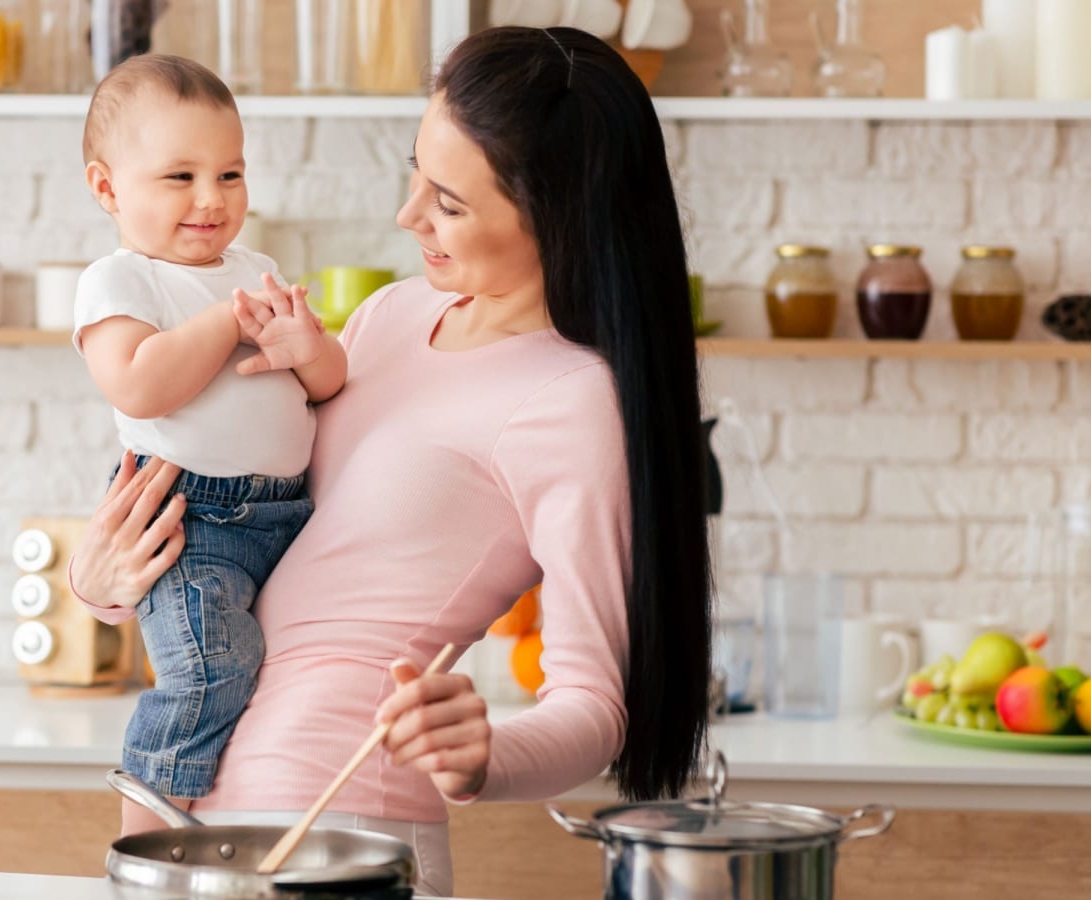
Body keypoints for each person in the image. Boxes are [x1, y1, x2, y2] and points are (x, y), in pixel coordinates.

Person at [71, 27, 711, 897]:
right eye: (416, 173)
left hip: (342, 820)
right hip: (190, 804)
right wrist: (103, 581)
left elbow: (596, 708)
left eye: (447, 201)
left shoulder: (573, 399)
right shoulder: (391, 315)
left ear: (552, 212)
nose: (408, 216)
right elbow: (256, 530)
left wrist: (484, 753)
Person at [72, 54, 348, 808]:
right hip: (193, 521)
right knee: (209, 671)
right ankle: (148, 834)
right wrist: (228, 319)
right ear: (107, 187)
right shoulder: (121, 281)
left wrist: (311, 352)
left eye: (230, 175)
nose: (211, 198)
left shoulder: (254, 266)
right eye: (180, 176)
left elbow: (328, 387)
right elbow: (140, 384)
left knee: (273, 676)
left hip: (285, 514)